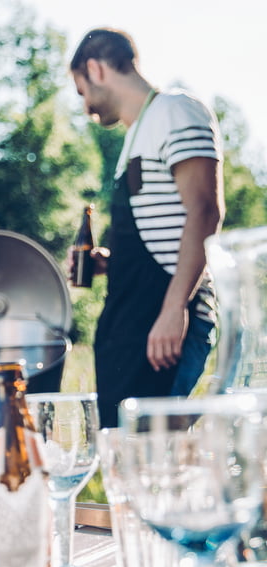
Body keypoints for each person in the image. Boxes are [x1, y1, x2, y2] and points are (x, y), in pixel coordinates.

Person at [69, 28, 224, 427]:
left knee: (157, 458)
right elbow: (163, 231)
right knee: (128, 457)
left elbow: (205, 211)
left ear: (95, 69)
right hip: (134, 321)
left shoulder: (175, 109)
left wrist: (174, 309)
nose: (85, 106)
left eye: (81, 91)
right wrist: (109, 263)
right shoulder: (136, 133)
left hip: (166, 319)